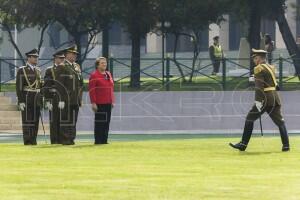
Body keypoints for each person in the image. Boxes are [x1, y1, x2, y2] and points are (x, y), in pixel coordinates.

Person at [229, 49, 290, 152]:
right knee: (280, 122)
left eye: (255, 58)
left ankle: (243, 144)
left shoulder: (258, 69)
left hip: (264, 98)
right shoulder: (271, 67)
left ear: (260, 58)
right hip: (275, 98)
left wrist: (258, 101)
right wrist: (256, 79)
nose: (254, 61)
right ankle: (286, 145)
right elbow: (275, 84)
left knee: (249, 118)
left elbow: (259, 88)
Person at [55, 45, 83, 145]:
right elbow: (59, 85)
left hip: (75, 98)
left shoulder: (77, 67)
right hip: (66, 99)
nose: (74, 56)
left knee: (73, 120)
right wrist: (60, 100)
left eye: (75, 54)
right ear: (66, 55)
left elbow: (80, 84)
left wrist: (80, 99)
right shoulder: (62, 67)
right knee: (66, 119)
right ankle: (65, 139)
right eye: (72, 54)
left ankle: (71, 138)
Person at [16, 49, 42, 145]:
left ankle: (34, 140)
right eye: (34, 57)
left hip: (36, 98)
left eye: (37, 57)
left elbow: (40, 86)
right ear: (29, 58)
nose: (36, 59)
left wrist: (42, 98)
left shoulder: (38, 70)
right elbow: (19, 87)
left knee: (35, 121)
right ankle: (28, 141)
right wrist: (21, 101)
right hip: (27, 97)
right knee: (27, 120)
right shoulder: (22, 70)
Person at [89, 57, 115, 144]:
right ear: (97, 65)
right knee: (100, 123)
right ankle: (98, 141)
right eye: (102, 63)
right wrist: (93, 103)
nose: (104, 64)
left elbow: (111, 88)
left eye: (105, 63)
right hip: (99, 103)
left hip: (108, 102)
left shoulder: (108, 74)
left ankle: (104, 140)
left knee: (107, 122)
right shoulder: (94, 75)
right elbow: (92, 90)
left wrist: (112, 101)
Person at [43, 50, 65, 144]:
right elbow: (47, 86)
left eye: (63, 58)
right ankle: (55, 140)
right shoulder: (50, 70)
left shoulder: (65, 69)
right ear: (55, 59)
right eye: (60, 58)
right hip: (54, 97)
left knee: (63, 120)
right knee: (54, 120)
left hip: (63, 97)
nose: (62, 60)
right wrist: (47, 100)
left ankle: (62, 139)